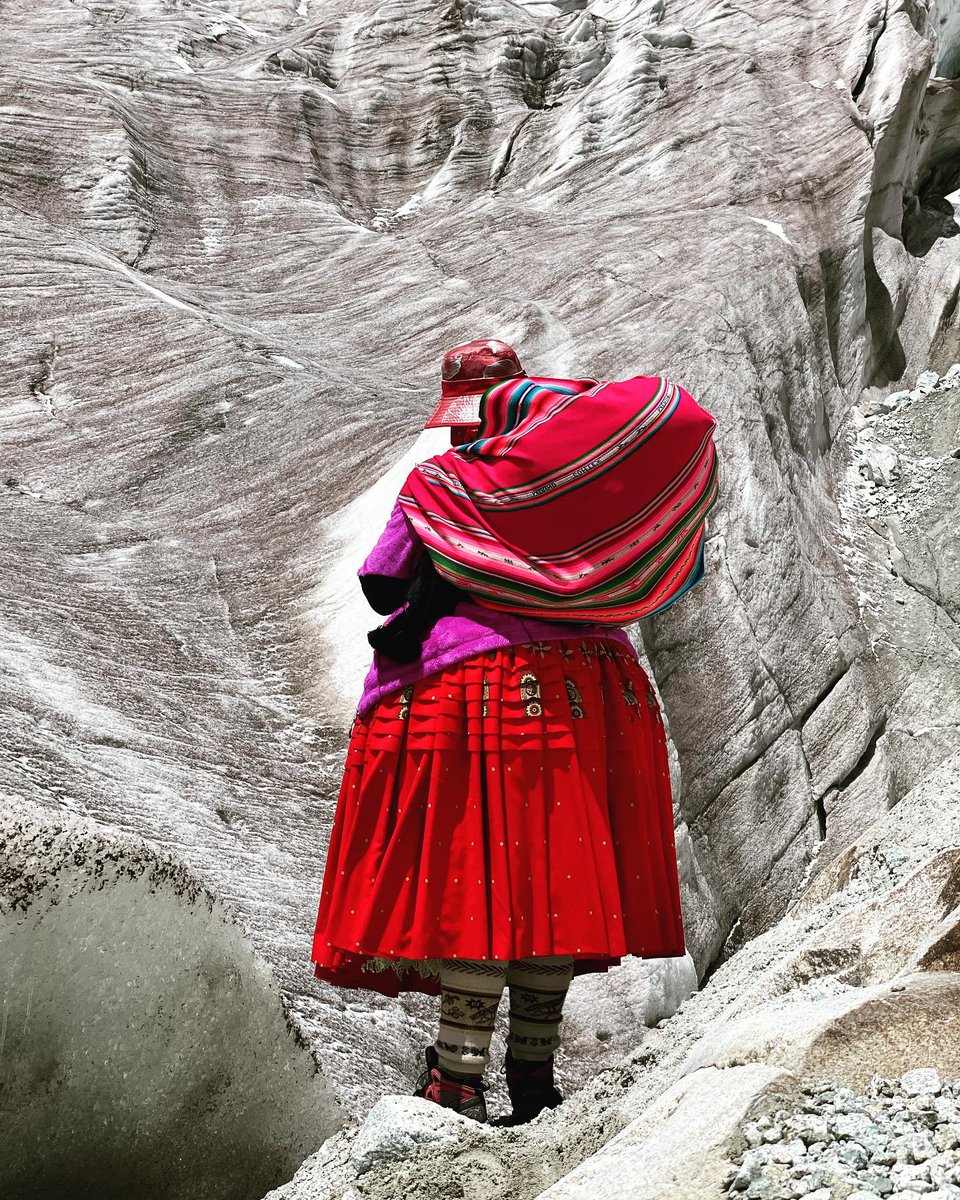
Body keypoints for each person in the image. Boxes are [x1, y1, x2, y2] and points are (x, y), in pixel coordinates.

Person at [310, 339, 717, 1126]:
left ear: (463, 412)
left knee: (483, 880)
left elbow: (384, 577)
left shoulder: (444, 480)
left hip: (477, 687)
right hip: (594, 687)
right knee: (551, 884)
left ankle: (457, 1079)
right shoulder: (580, 485)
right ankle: (534, 1076)